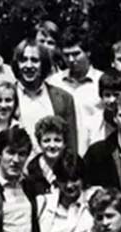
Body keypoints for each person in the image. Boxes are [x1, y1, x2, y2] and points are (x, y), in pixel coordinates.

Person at [12, 38, 78, 150]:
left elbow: (71, 146)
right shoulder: (6, 98)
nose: (29, 65)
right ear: (17, 64)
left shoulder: (63, 99)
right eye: (23, 60)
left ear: (43, 64)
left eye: (34, 60)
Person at [48, 26, 103, 155]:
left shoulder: (102, 81)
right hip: (61, 153)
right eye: (67, 55)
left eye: (76, 54)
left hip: (95, 152)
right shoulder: (54, 82)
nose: (71, 60)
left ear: (88, 52)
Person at [26, 115, 72, 195]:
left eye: (57, 140)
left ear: (64, 143)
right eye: (46, 141)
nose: (52, 145)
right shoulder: (29, 171)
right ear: (39, 143)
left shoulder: (73, 166)